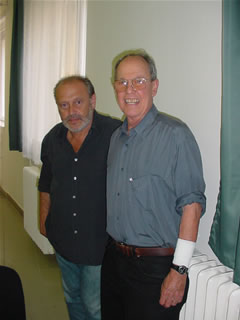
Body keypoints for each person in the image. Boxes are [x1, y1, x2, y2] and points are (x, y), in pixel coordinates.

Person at [101, 50, 206, 320]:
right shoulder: (116, 139)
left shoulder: (175, 136)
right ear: (115, 88)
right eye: (122, 82)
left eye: (139, 81)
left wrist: (179, 270)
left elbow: (192, 208)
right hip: (114, 261)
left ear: (154, 86)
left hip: (156, 269)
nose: (130, 89)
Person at [38, 75, 121, 320]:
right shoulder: (52, 139)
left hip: (99, 243)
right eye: (64, 105)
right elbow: (46, 183)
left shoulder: (114, 134)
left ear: (92, 100)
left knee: (95, 307)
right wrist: (44, 220)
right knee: (71, 297)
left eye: (78, 102)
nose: (71, 112)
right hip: (63, 238)